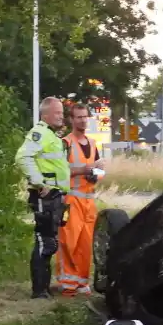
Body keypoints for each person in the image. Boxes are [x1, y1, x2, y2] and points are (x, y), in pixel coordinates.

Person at [16, 97, 71, 299]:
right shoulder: (40, 133)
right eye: (57, 113)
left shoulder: (52, 136)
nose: (61, 116)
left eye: (62, 112)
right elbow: (22, 156)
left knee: (49, 242)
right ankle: (39, 291)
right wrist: (40, 183)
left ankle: (44, 289)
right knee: (44, 242)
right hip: (44, 196)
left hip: (54, 196)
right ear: (45, 114)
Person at [56, 103, 105, 297]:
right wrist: (85, 170)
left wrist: (97, 174)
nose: (83, 120)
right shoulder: (65, 143)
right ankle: (68, 283)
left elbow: (100, 169)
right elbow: (60, 172)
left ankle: (82, 282)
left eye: (85, 117)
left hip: (88, 201)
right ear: (71, 120)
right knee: (68, 241)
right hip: (70, 199)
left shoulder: (93, 144)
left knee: (86, 243)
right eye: (78, 117)